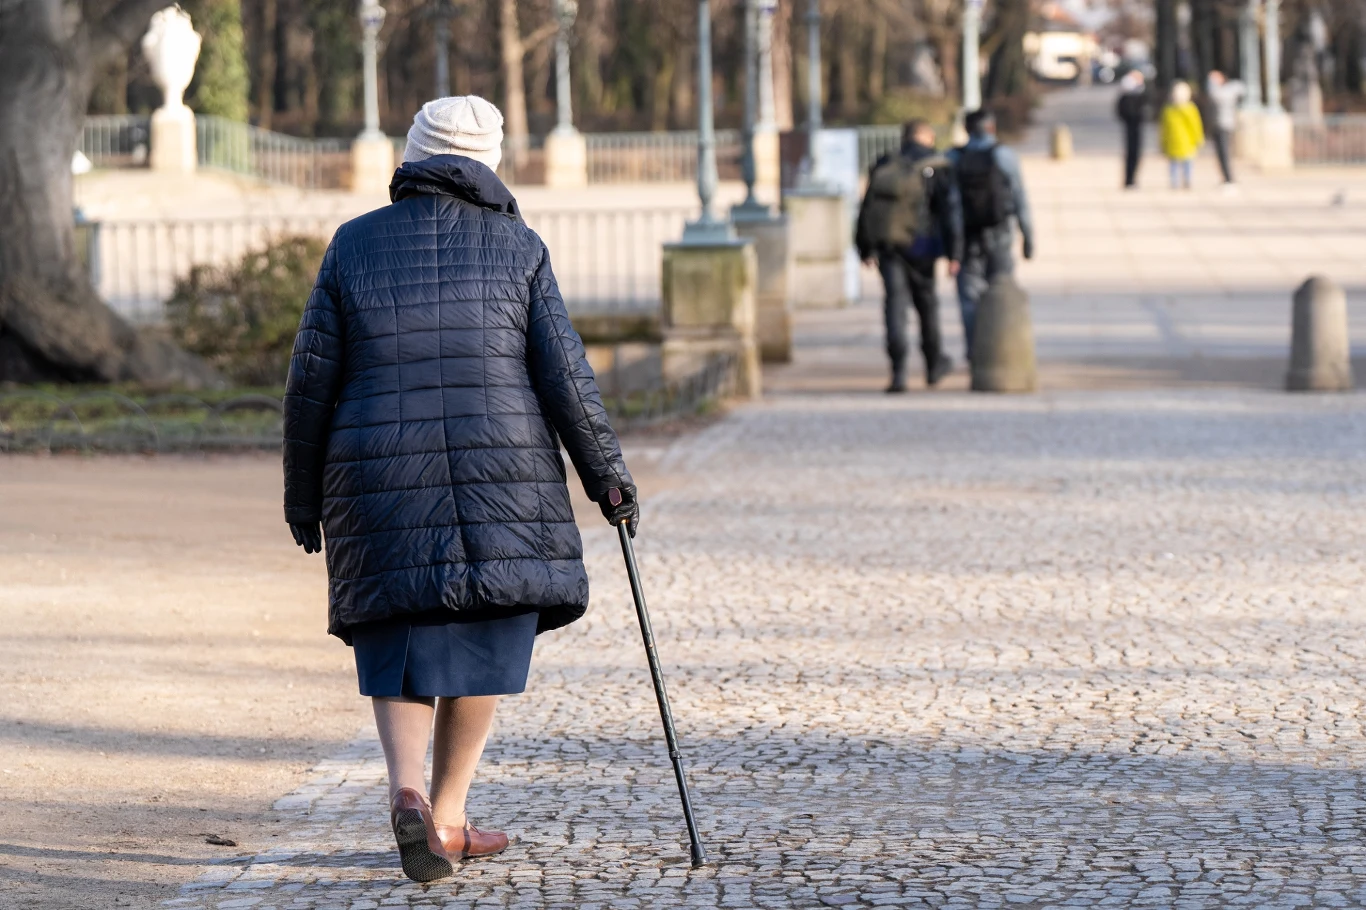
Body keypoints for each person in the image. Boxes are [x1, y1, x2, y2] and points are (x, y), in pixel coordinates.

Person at [281, 95, 638, 884]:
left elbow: (309, 385)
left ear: (412, 155)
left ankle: (406, 792)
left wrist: (302, 498)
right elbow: (567, 379)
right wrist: (607, 479)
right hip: (501, 477)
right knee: (482, 632)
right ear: (489, 161)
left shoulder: (353, 246)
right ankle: (446, 816)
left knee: (399, 629)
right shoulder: (519, 247)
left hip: (377, 476)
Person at [855, 119, 963, 392]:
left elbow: (867, 206)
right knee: (927, 305)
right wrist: (954, 253)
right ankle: (933, 364)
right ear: (927, 137)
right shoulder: (936, 165)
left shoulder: (885, 162)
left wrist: (865, 247)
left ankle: (898, 371)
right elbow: (950, 211)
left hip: (889, 246)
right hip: (923, 245)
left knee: (895, 305)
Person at [948, 109, 1034, 361]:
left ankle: (976, 352)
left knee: (968, 298)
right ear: (992, 128)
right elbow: (1020, 199)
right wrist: (1028, 235)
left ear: (966, 130)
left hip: (966, 238)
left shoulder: (953, 158)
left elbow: (948, 205)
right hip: (1000, 235)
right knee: (1002, 291)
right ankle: (1001, 351)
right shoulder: (1004, 156)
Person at [1159, 81, 1204, 190]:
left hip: (1172, 141)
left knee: (1174, 164)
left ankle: (1174, 182)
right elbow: (1196, 126)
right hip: (1187, 141)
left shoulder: (1168, 110)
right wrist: (1199, 138)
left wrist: (1163, 142)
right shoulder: (1190, 109)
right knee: (1187, 163)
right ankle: (1187, 180)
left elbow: (1163, 129)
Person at [1206, 70, 1245, 187]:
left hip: (1224, 125)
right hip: (1217, 125)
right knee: (1220, 154)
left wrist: (1213, 83)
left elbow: (1216, 95)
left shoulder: (1225, 92)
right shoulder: (1223, 91)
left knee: (1224, 153)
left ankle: (1229, 178)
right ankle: (1226, 177)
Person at [1116, 70, 1148, 189]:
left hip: (1135, 127)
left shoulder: (1136, 93)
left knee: (1135, 154)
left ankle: (1131, 179)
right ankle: (1129, 180)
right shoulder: (1130, 95)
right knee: (1132, 154)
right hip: (1132, 128)